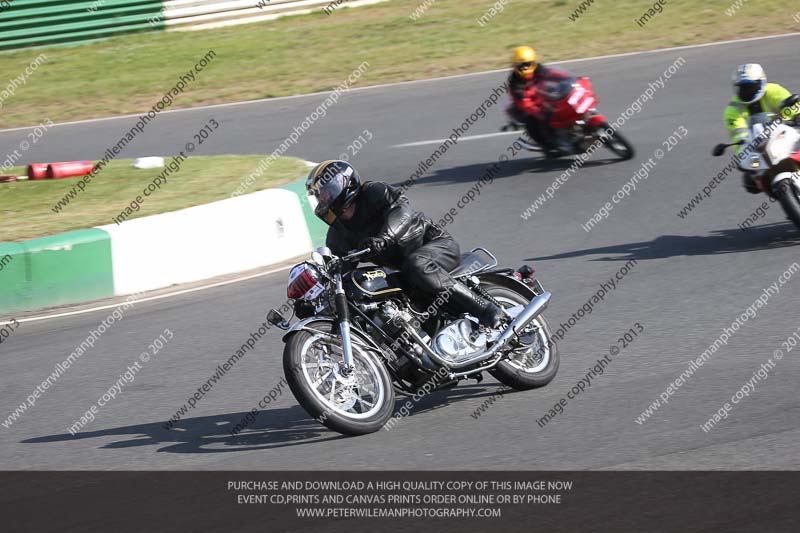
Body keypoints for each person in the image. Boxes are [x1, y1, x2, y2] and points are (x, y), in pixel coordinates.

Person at [306, 160, 505, 329]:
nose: (323, 198)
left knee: (416, 265)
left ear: (344, 183)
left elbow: (402, 211)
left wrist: (385, 237)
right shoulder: (337, 234)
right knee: (383, 295)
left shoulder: (374, 192)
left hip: (437, 246)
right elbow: (339, 268)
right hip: (404, 271)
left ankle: (486, 309)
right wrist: (315, 298)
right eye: (319, 196)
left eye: (326, 191)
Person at [725, 63, 799, 193]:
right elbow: (739, 136)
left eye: (750, 86)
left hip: (786, 134)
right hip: (760, 148)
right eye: (742, 88)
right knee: (749, 182)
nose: (746, 91)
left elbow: (792, 106)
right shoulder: (733, 110)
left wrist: (797, 116)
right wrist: (742, 155)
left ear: (761, 83)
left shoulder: (773, 90)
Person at [507, 46, 574, 158]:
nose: (525, 68)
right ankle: (548, 144)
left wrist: (568, 79)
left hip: (541, 95)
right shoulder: (514, 82)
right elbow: (524, 102)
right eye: (521, 66)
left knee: (561, 100)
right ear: (515, 66)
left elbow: (553, 74)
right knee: (531, 120)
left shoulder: (539, 69)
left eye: (527, 64)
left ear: (533, 62)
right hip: (527, 106)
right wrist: (538, 112)